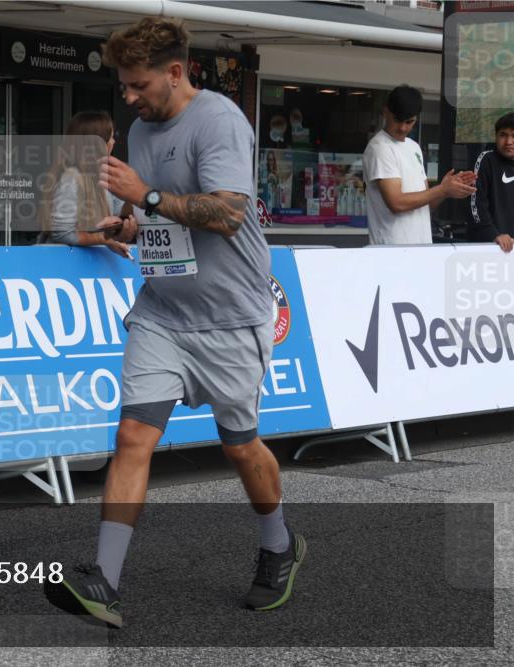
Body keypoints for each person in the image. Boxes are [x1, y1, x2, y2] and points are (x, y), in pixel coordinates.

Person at [45, 17, 303, 628]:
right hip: (162, 312)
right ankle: (104, 581)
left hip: (231, 317)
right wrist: (133, 226)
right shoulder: (140, 130)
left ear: (176, 72)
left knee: (240, 447)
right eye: (124, 85)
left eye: (138, 84)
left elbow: (228, 214)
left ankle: (279, 545)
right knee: (133, 436)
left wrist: (147, 196)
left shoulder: (219, 121)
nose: (129, 96)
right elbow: (164, 219)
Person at [362, 84, 476, 245]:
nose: (403, 128)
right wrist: (441, 189)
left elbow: (427, 204)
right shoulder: (380, 147)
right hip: (392, 249)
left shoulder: (413, 147)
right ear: (386, 112)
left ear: (416, 118)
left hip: (421, 246)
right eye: (397, 120)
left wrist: (446, 190)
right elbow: (396, 203)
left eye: (409, 122)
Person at [37, 110, 134, 258]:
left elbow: (120, 213)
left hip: (92, 263)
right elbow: (62, 232)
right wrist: (105, 240)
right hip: (65, 264)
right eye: (110, 138)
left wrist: (134, 194)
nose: (113, 142)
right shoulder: (71, 179)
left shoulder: (104, 176)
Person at [468, 112, 514, 253]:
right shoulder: (486, 160)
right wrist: (493, 234)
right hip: (489, 247)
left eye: (513, 136)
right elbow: (476, 204)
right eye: (503, 135)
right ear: (496, 136)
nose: (509, 142)